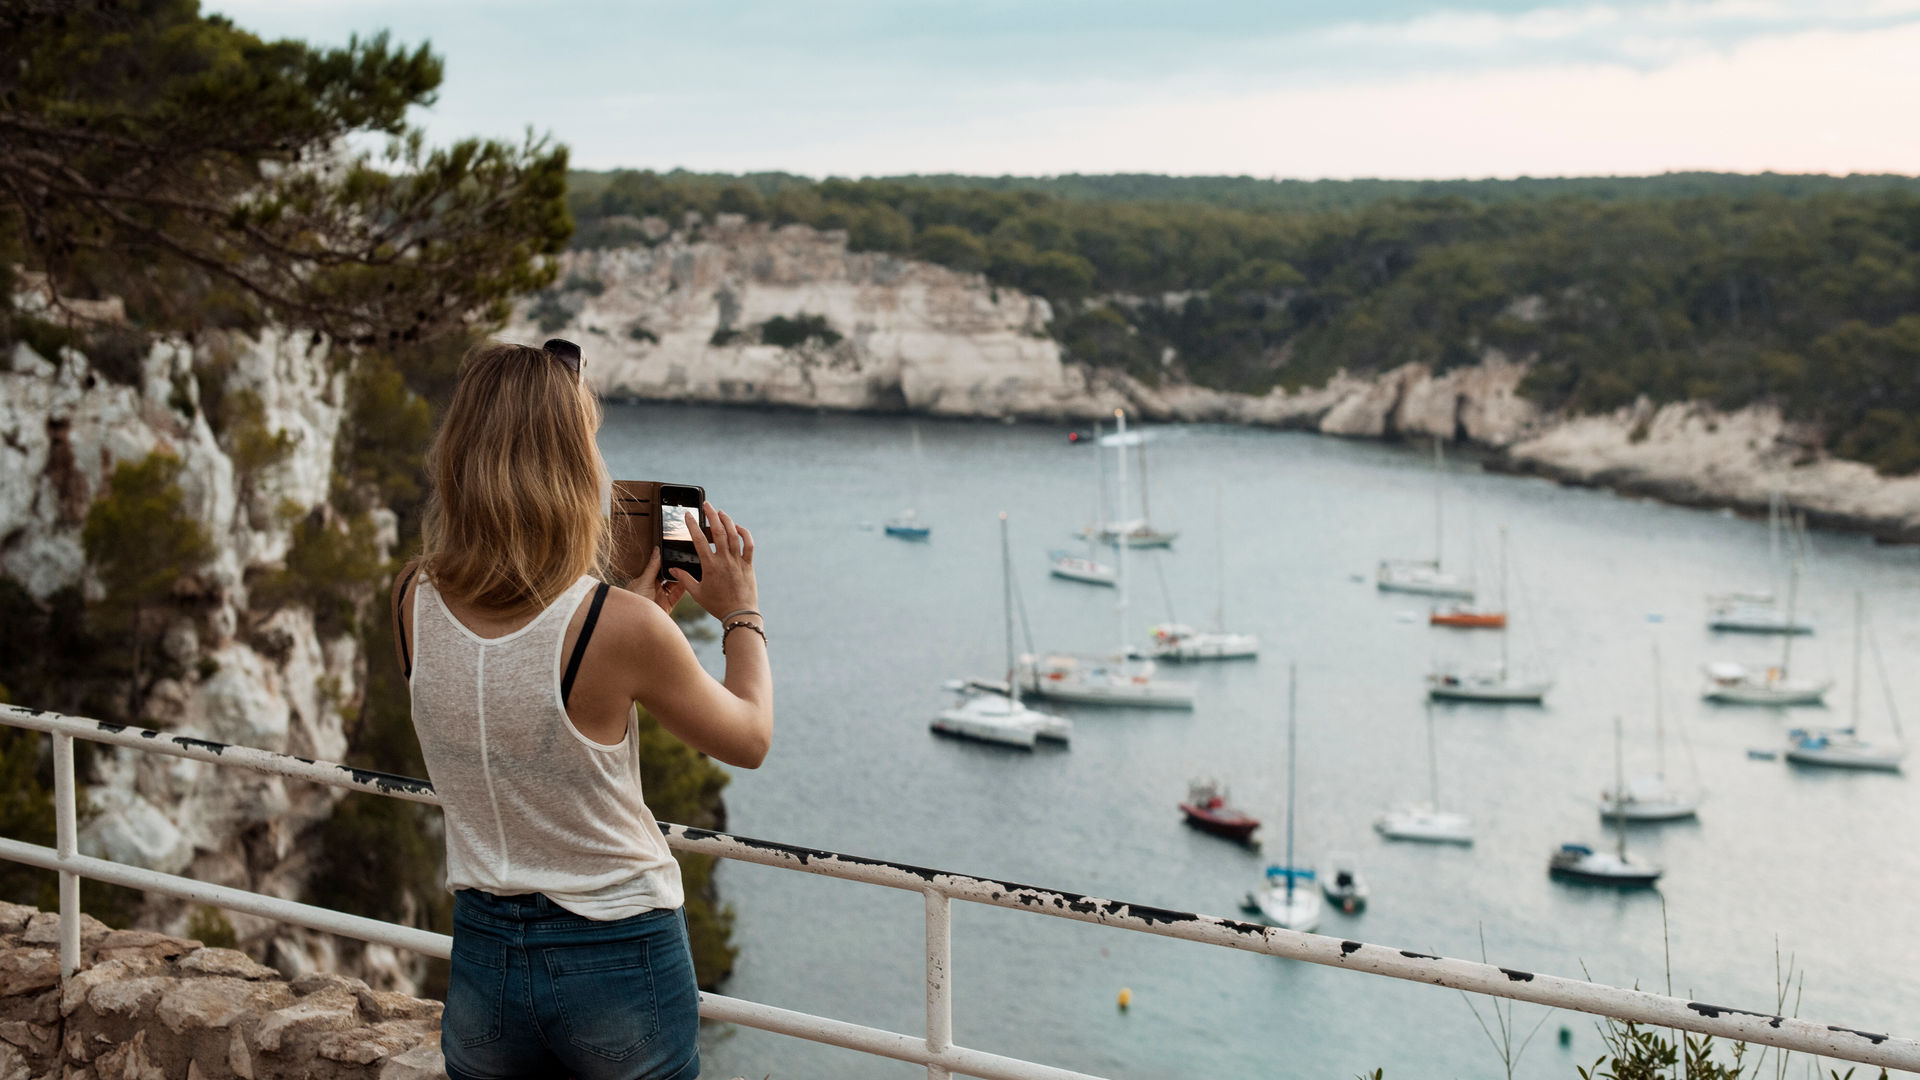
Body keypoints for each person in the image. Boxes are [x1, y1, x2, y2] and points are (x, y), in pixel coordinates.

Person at [390, 340, 771, 1080]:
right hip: (619, 949)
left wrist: (632, 613)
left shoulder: (412, 595)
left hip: (484, 951)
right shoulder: (617, 629)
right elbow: (749, 738)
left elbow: (514, 671)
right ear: (572, 466)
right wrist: (740, 613)